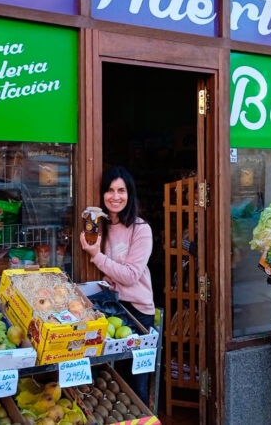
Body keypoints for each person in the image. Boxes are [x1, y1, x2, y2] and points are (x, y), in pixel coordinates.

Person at [80, 166, 155, 407]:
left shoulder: (141, 229)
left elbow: (131, 275)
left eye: (121, 190)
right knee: (109, 383)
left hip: (138, 314)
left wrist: (96, 256)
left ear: (129, 194)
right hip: (110, 309)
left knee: (135, 386)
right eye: (110, 190)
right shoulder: (99, 227)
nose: (115, 196)